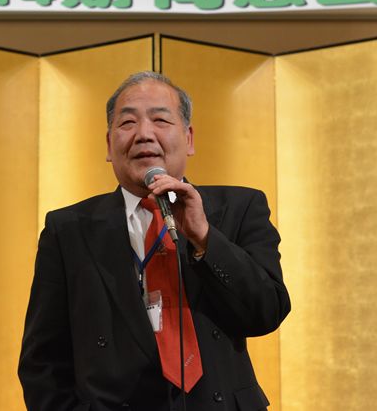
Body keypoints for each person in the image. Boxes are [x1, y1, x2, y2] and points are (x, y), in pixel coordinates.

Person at [18, 71, 290, 410]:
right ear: (109, 145)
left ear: (188, 138)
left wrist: (205, 237)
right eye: (128, 123)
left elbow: (266, 312)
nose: (144, 134)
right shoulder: (68, 230)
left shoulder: (240, 207)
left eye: (160, 120)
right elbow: (42, 362)